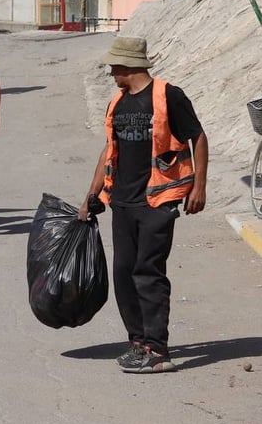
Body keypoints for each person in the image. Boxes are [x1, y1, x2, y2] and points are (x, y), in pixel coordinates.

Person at [77, 36, 208, 374]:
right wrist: (91, 195)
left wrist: (198, 187)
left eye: (114, 67)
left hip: (158, 199)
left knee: (148, 272)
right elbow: (108, 151)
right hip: (122, 202)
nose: (110, 73)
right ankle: (138, 341)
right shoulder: (118, 103)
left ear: (129, 66)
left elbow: (198, 136)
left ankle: (158, 348)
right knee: (124, 272)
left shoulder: (167, 96)